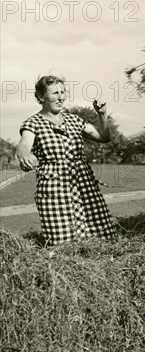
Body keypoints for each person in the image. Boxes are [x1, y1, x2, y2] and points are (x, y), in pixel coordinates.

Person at [16, 75, 117, 246]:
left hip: (83, 183)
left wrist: (102, 115)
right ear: (41, 97)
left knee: (101, 236)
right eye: (55, 93)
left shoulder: (74, 119)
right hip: (54, 186)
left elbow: (104, 137)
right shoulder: (33, 123)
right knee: (62, 241)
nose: (61, 96)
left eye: (63, 92)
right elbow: (24, 144)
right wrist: (24, 154)